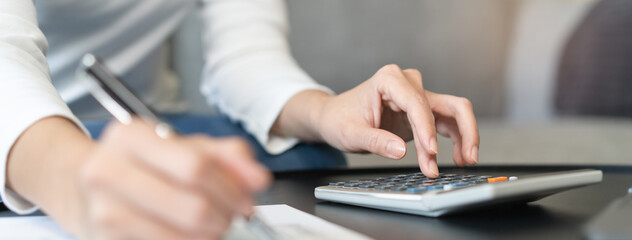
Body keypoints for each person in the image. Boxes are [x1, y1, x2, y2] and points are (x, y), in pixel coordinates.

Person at [0, 0, 479, 239]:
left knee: (311, 148)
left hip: (151, 121)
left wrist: (326, 110)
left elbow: (247, 57)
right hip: (28, 124)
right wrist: (72, 179)